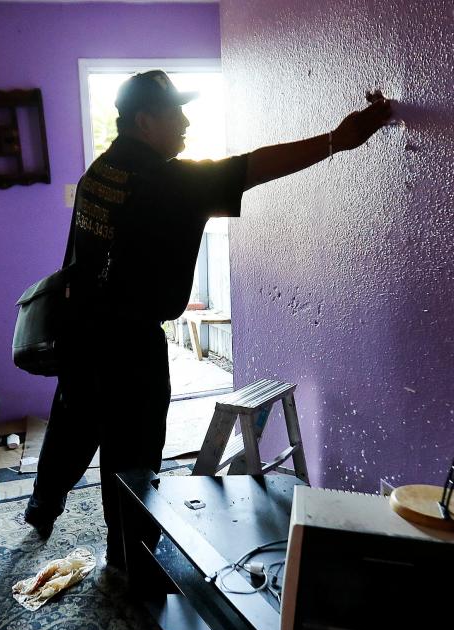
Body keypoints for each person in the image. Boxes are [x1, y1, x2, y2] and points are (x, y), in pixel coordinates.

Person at [24, 70, 394, 565]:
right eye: (175, 112)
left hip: (80, 332)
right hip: (130, 343)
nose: (185, 121)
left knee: (74, 424)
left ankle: (42, 507)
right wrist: (335, 141)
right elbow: (249, 168)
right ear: (145, 121)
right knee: (131, 451)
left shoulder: (102, 171)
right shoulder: (165, 181)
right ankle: (129, 558)